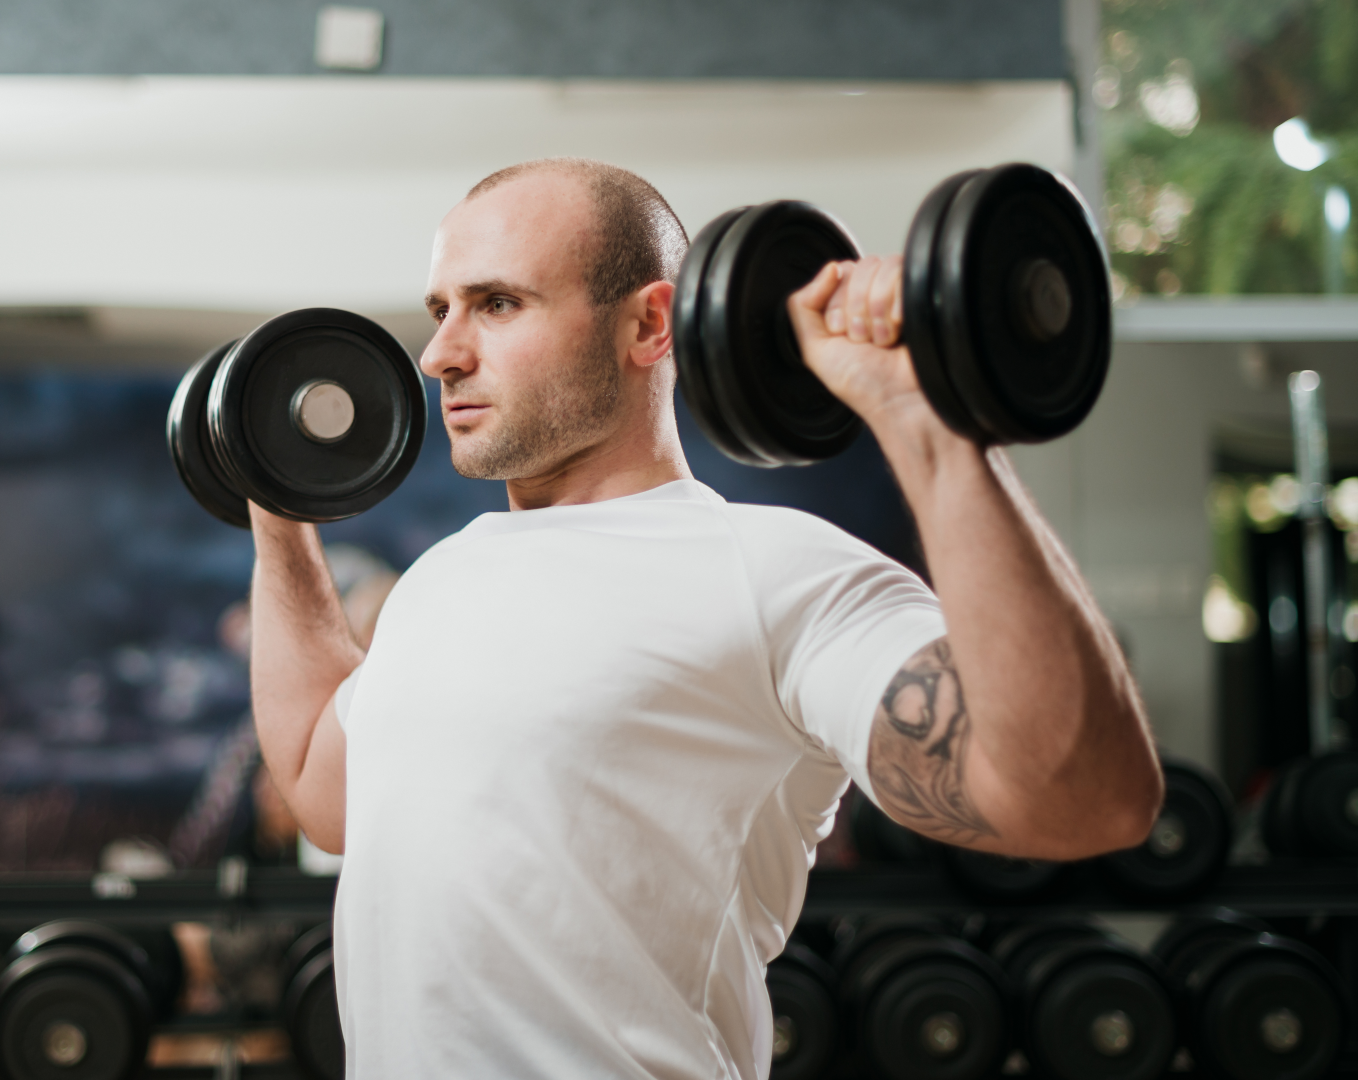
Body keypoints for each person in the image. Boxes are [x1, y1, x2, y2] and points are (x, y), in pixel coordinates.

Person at [246, 158, 1162, 1077]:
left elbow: (1084, 801)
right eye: (440, 308)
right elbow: (325, 792)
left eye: (496, 305)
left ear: (649, 323)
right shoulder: (442, 579)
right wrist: (278, 507)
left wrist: (931, 425)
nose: (441, 352)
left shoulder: (777, 574)